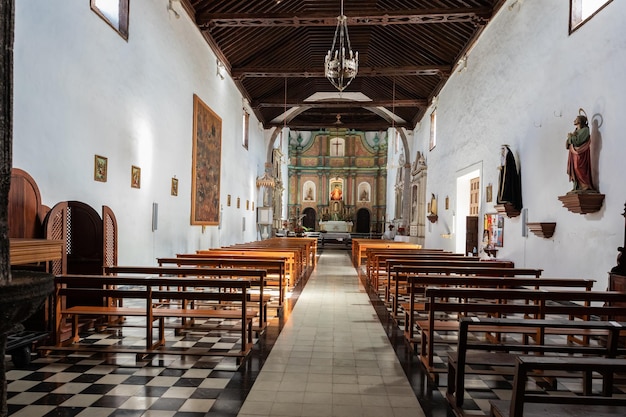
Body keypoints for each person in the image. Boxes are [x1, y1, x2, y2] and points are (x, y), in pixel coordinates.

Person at [566, 114, 595, 192]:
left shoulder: (585, 130)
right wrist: (570, 139)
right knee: (574, 169)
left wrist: (570, 138)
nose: (574, 120)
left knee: (578, 167)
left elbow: (578, 141)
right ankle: (577, 186)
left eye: (576, 119)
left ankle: (585, 184)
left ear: (580, 121)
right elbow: (570, 142)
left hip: (581, 153)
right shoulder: (576, 131)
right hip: (574, 153)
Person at [496, 145, 523, 211]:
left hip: (509, 178)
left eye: (503, 149)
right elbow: (503, 166)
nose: (502, 151)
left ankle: (508, 199)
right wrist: (501, 169)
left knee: (508, 187)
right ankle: (502, 199)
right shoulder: (504, 157)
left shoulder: (509, 155)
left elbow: (510, 168)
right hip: (505, 178)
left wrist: (503, 168)